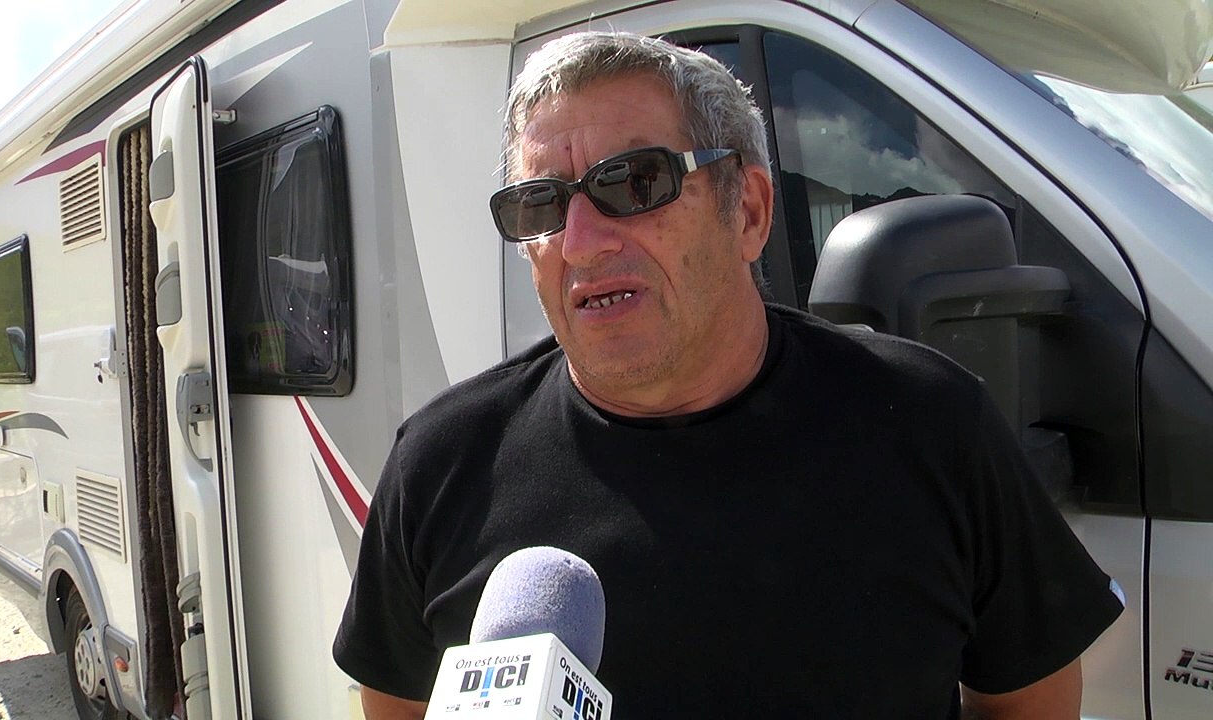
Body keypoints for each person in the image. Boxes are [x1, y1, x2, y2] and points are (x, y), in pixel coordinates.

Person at [333, 32, 1123, 719]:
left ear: (746, 210)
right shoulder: (440, 464)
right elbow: (398, 705)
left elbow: (1030, 699)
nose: (579, 241)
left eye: (632, 183)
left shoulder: (931, 422)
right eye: (541, 205)